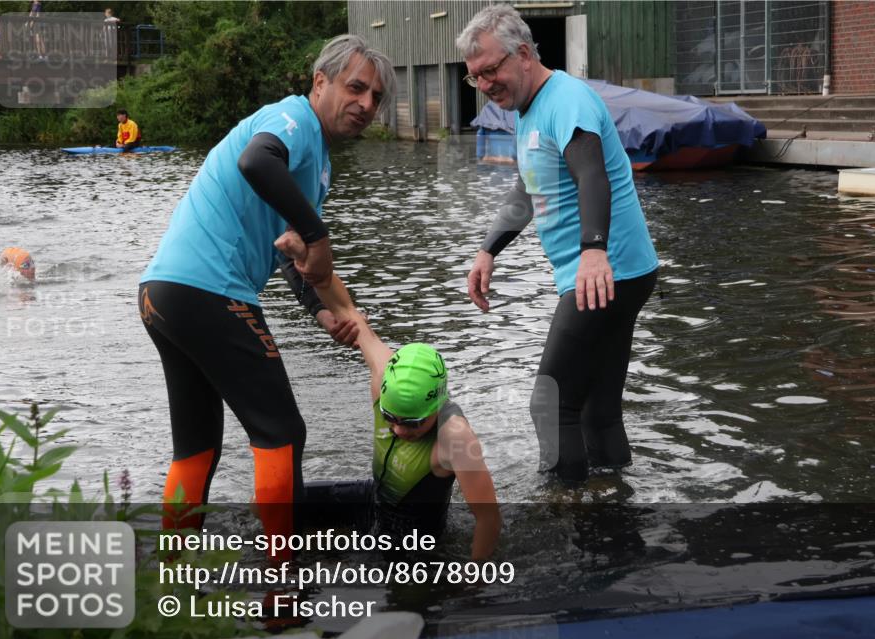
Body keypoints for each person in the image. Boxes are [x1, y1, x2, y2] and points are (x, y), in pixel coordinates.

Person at [138, 34, 394, 554]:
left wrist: (321, 309)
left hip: (162, 295)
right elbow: (256, 163)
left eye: (377, 98)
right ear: (319, 82)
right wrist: (320, 236)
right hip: (209, 291)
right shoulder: (293, 121)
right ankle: (284, 581)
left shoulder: (314, 161)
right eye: (356, 88)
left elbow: (289, 251)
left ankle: (171, 574)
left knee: (197, 447)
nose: (367, 104)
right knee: (281, 432)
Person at [456, 5, 659, 484]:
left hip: (606, 272)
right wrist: (489, 249)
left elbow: (593, 173)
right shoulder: (528, 111)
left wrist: (593, 250)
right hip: (620, 272)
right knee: (597, 410)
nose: (484, 85)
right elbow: (530, 188)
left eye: (490, 71)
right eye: (474, 78)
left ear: (523, 54)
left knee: (551, 404)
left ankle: (564, 507)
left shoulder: (567, 100)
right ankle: (612, 504)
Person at [276, 232, 501, 560]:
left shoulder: (455, 437)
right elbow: (344, 307)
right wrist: (308, 265)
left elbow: (488, 518)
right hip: (374, 503)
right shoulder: (384, 372)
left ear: (435, 406)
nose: (397, 430)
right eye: (390, 416)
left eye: (411, 424)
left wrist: (472, 582)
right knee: (273, 506)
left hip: (415, 541)